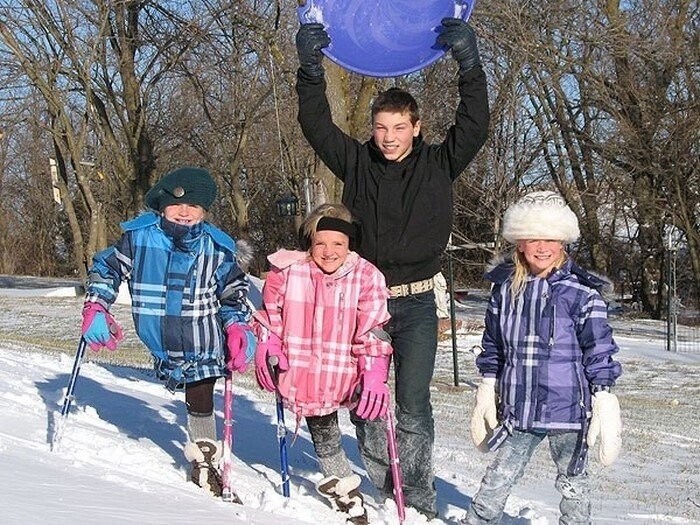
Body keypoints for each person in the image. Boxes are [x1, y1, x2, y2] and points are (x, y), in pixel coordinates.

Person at [295, 17, 490, 518]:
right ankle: (388, 484)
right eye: (381, 128)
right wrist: (310, 69)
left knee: (413, 405)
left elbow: (475, 123)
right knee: (367, 401)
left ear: (416, 127)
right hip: (365, 304)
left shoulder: (440, 164)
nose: (388, 137)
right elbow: (316, 125)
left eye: (399, 128)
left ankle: (419, 496)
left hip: (420, 303)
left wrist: (470, 63)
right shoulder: (356, 162)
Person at [81, 166, 256, 497]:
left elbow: (233, 292)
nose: (186, 212)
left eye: (194, 206)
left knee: (201, 389)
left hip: (203, 334)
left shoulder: (217, 248)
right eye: (178, 205)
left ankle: (204, 460)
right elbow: (107, 269)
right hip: (158, 333)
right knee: (184, 380)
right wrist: (96, 306)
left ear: (204, 212)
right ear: (161, 206)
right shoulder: (139, 238)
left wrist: (237, 326)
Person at [465, 191, 623, 523]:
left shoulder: (582, 295)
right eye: (533, 238)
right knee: (497, 479)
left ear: (563, 241)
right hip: (518, 408)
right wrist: (486, 388)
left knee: (573, 483)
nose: (542, 247)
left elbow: (599, 349)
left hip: (568, 410)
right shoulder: (505, 291)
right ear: (519, 242)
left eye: (550, 238)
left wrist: (605, 397)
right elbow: (493, 342)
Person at [254, 203, 393, 525]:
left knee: (372, 425)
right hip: (304, 368)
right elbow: (269, 312)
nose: (329, 252)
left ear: (349, 245)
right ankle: (343, 486)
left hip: (349, 368)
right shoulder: (289, 272)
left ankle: (389, 489)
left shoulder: (367, 275)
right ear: (310, 243)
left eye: (338, 244)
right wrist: (268, 341)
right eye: (320, 243)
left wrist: (373, 370)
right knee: (323, 429)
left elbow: (374, 325)